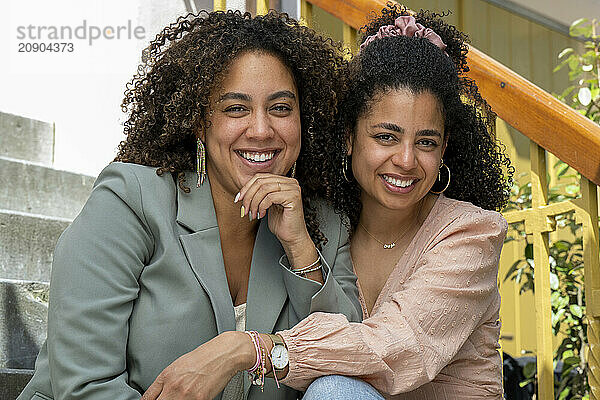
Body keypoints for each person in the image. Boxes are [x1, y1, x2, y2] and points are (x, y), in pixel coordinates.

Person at [142, 5, 514, 400]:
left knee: (335, 389)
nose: (406, 161)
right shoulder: (330, 225)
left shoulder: (471, 234)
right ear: (349, 138)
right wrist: (301, 244)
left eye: (426, 142)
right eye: (386, 137)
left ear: (444, 150)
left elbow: (397, 348)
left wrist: (249, 348)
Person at [17, 10, 361, 400]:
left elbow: (347, 367)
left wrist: (300, 248)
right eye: (236, 108)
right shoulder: (131, 200)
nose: (262, 130)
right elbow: (84, 386)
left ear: (305, 119)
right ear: (200, 121)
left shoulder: (323, 225)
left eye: (281, 108)